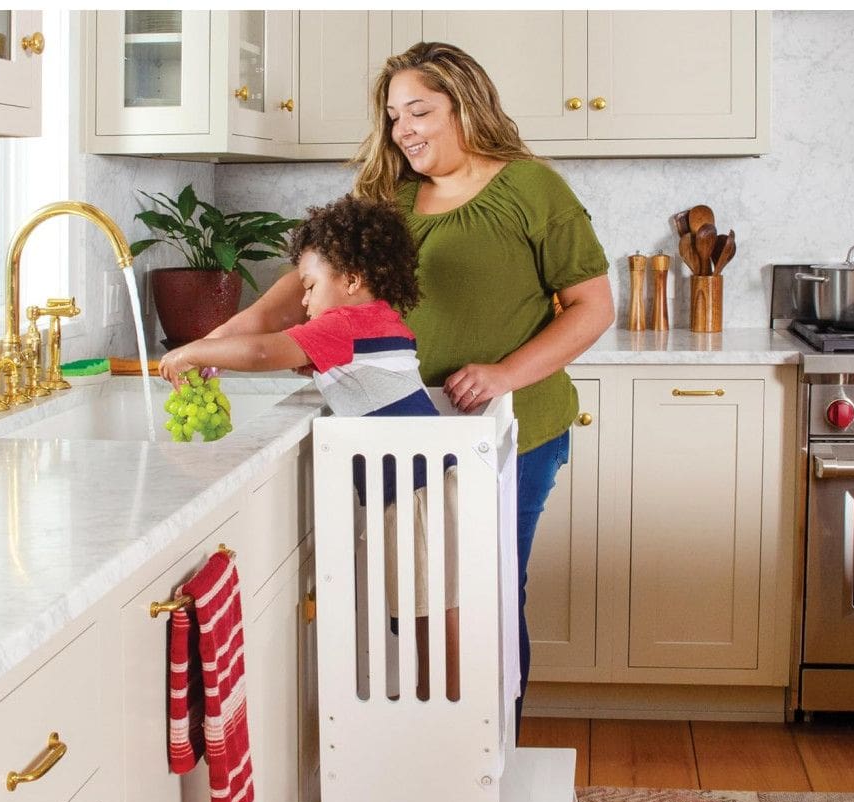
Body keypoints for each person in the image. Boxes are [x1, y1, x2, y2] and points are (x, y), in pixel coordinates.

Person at [178, 42, 615, 736]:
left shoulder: (533, 190)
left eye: (420, 111)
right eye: (393, 116)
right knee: (423, 597)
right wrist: (214, 345)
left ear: (465, 106)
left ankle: (488, 752)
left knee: (489, 593)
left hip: (510, 429)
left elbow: (593, 307)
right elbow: (298, 291)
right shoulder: (388, 196)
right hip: (407, 445)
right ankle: (440, 743)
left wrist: (503, 373)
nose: (403, 129)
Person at [159, 195, 460, 702]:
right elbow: (361, 375)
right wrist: (320, 361)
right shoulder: (379, 320)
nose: (303, 301)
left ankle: (440, 714)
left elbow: (262, 349)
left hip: (413, 492)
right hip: (425, 483)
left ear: (352, 281)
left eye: (310, 286)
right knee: (433, 609)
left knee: (426, 613)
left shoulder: (343, 326)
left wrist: (193, 350)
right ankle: (441, 708)